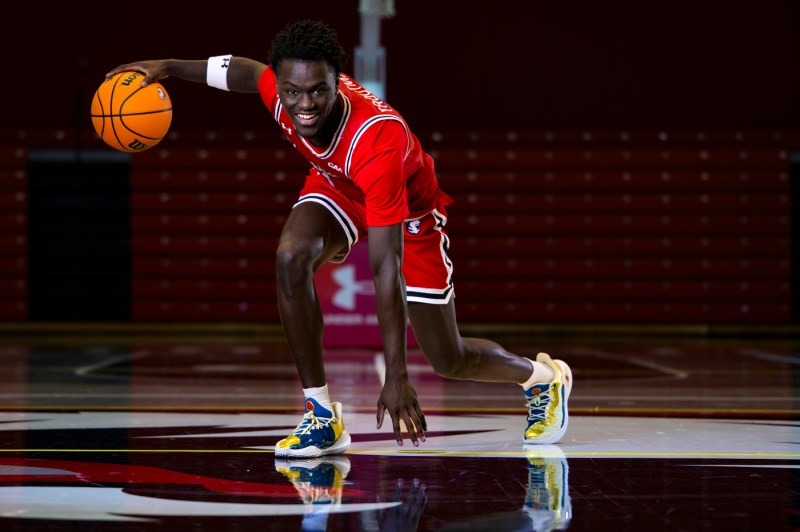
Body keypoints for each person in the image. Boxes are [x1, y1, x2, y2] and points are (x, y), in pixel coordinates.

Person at [106, 20, 572, 458]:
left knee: (448, 358)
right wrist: (166, 67)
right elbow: (243, 71)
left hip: (408, 212)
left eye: (317, 92)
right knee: (290, 258)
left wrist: (397, 376)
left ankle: (542, 379)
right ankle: (321, 415)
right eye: (292, 92)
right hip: (337, 184)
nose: (304, 104)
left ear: (336, 81)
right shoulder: (280, 87)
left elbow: (385, 268)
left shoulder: (378, 141)